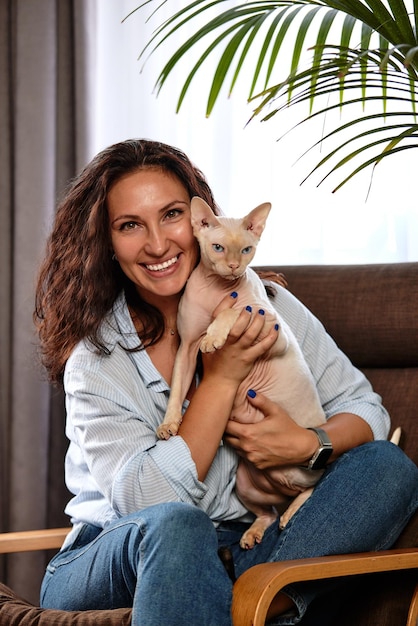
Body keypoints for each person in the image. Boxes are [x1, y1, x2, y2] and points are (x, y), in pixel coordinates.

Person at [34, 138, 418, 626]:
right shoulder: (97, 356)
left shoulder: (271, 304)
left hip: (250, 547)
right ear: (107, 244)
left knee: (388, 467)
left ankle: (245, 597)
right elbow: (147, 504)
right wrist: (222, 379)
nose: (157, 244)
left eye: (171, 215)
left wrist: (306, 444)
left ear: (199, 221)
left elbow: (369, 413)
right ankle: (255, 607)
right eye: (130, 225)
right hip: (116, 553)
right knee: (178, 526)